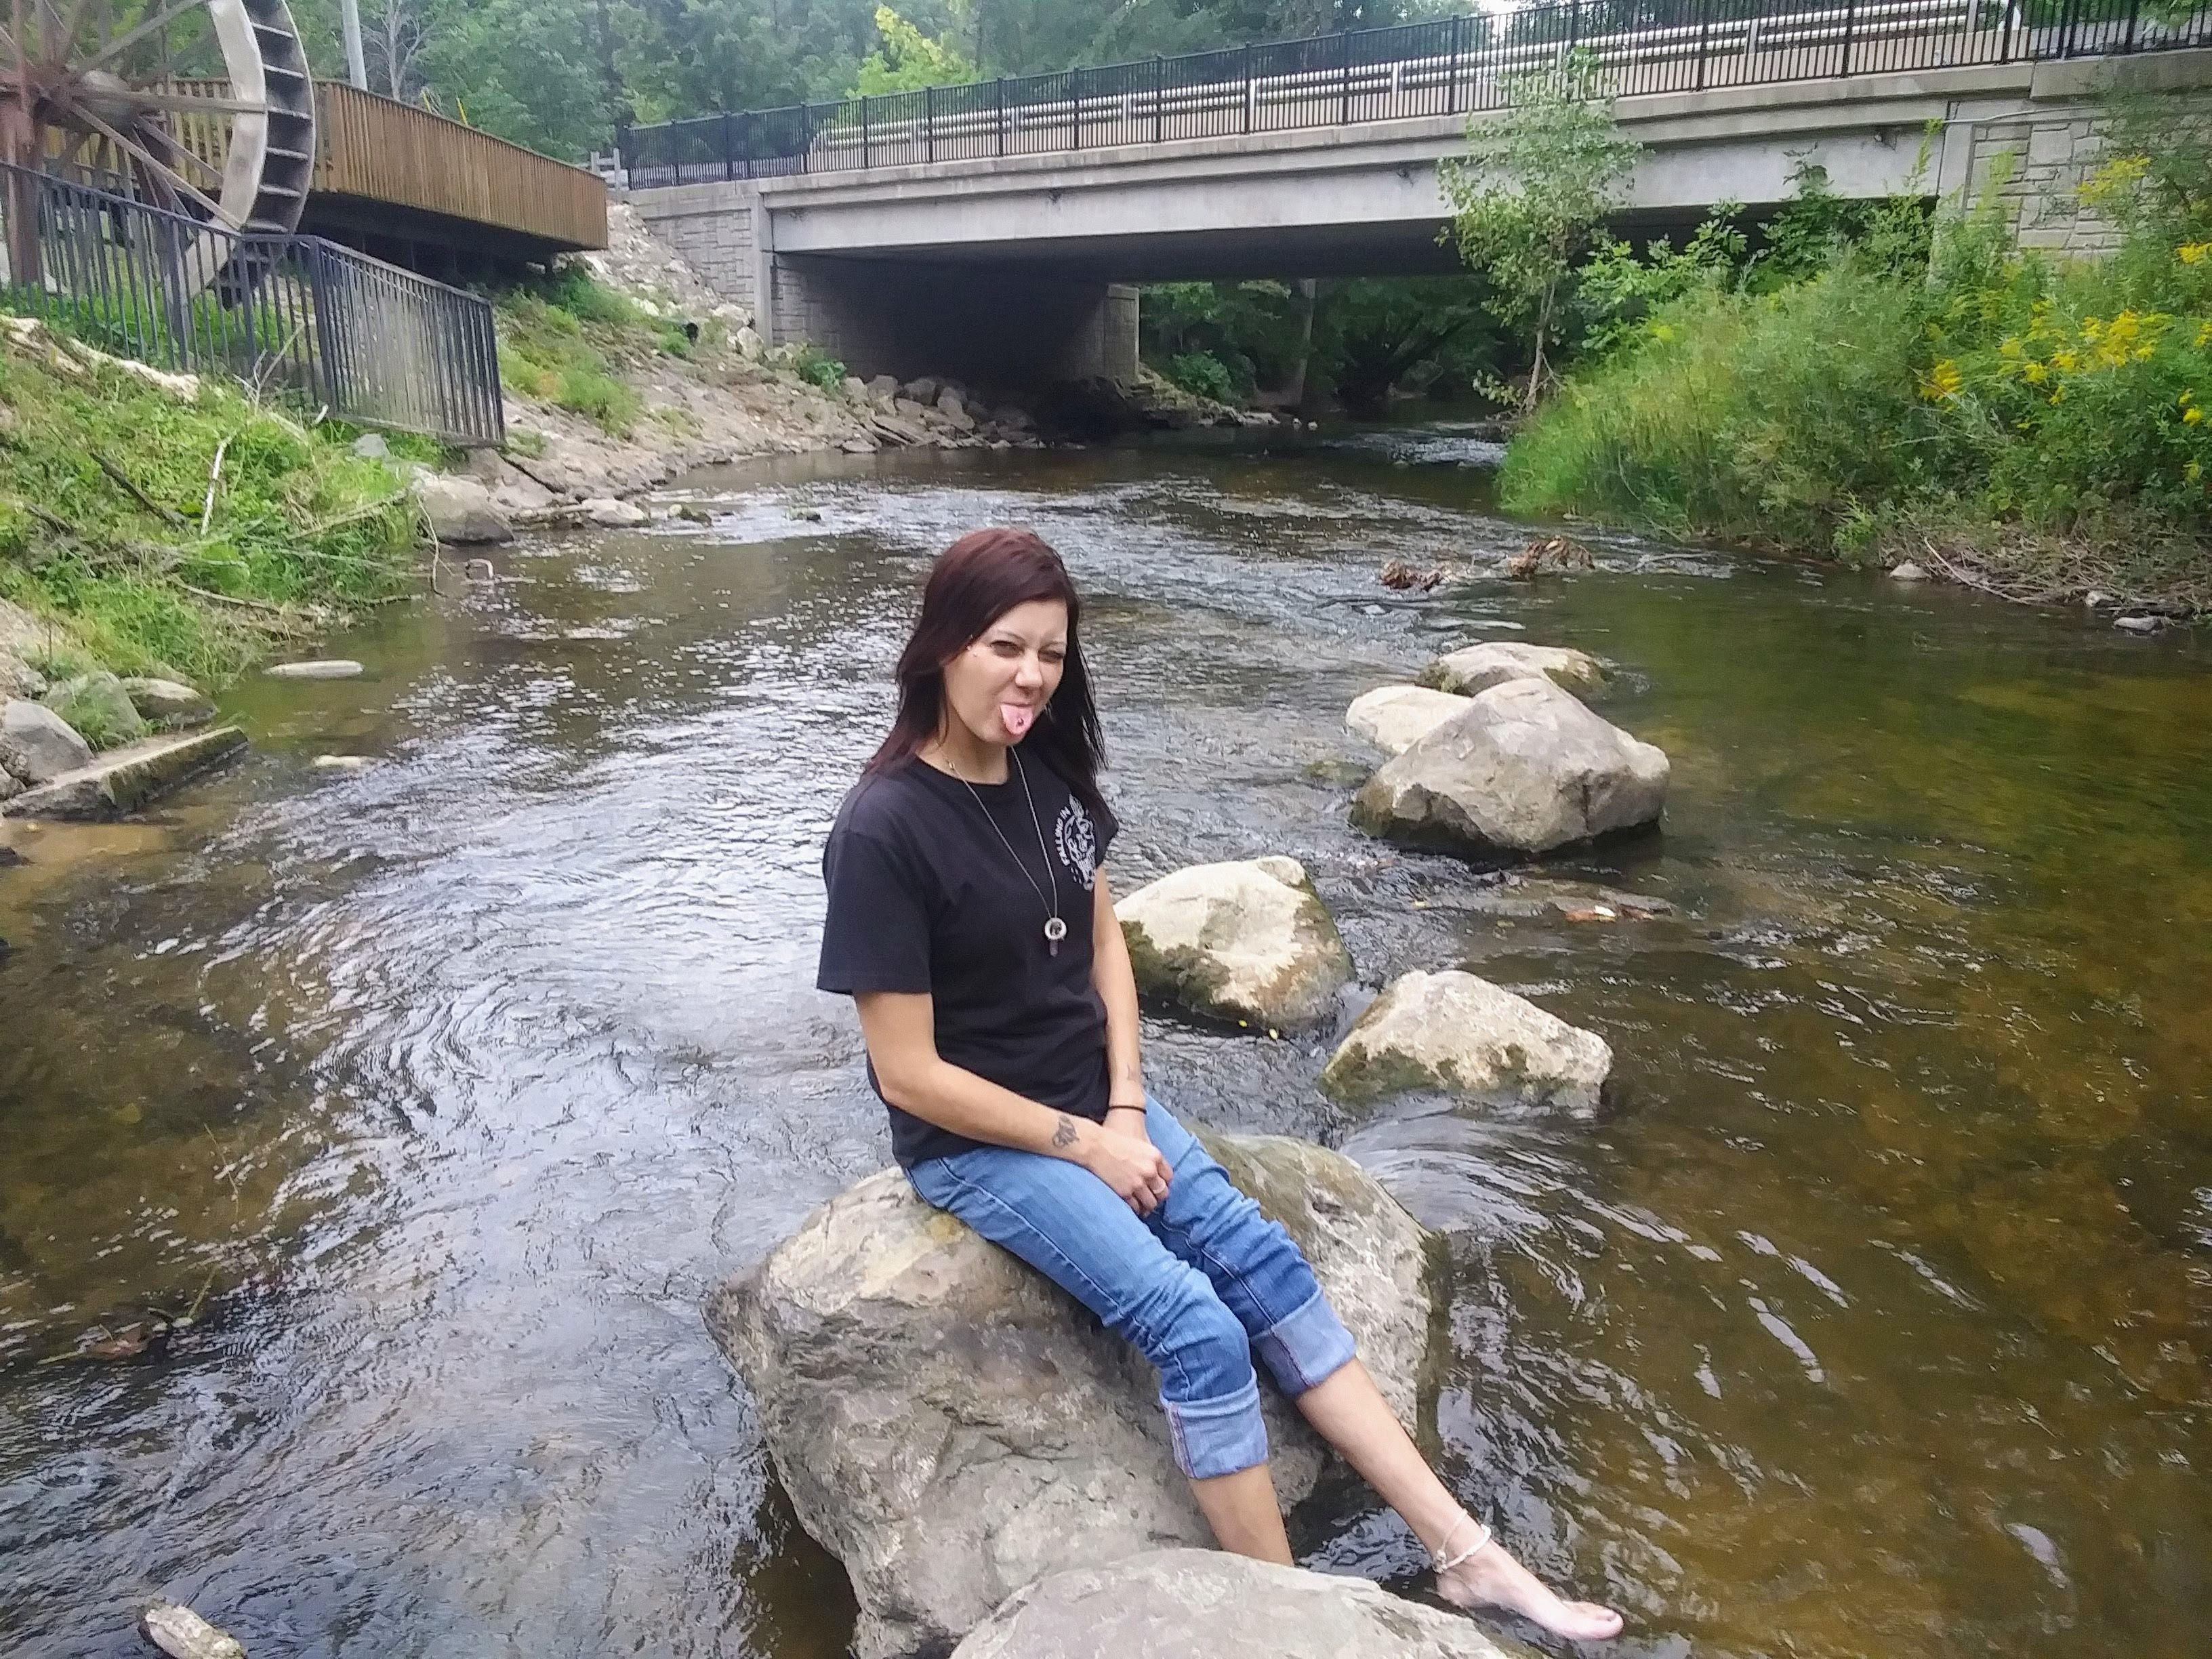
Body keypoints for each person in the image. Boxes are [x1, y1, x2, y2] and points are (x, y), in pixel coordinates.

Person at [815, 527, 1622, 1642]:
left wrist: (1130, 1101)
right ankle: (1292, 1624)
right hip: (982, 1142)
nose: (1031, 678)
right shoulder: (884, 828)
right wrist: (1085, 1143)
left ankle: (1469, 1557)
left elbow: (1104, 943)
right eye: (1006, 648)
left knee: (1264, 1265)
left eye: (1052, 654)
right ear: (942, 644)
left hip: (1104, 1106)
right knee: (1196, 1326)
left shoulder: (1047, 768)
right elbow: (906, 1074)